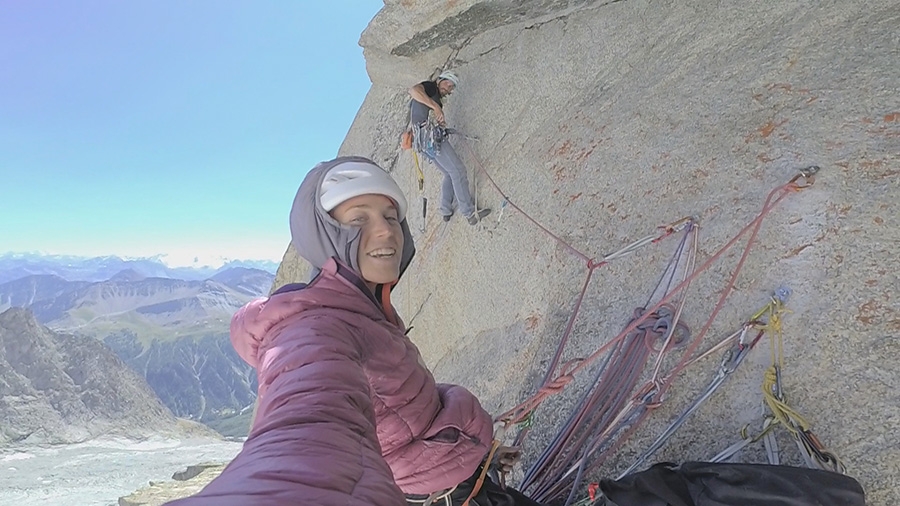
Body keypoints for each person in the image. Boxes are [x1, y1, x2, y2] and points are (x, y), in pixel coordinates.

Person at [166, 156, 542, 506]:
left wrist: (481, 451)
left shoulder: (361, 306)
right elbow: (307, 424)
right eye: (358, 220)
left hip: (453, 471)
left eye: (391, 217)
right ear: (323, 236)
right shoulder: (316, 327)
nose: (386, 232)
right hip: (438, 489)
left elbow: (406, 410)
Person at [408, 71, 491, 225]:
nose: (449, 88)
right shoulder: (430, 87)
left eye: (452, 87)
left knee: (448, 173)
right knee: (458, 171)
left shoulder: (434, 98)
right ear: (440, 79)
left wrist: (439, 122)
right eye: (448, 83)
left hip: (423, 140)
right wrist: (436, 107)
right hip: (428, 137)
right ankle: (469, 212)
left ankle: (445, 210)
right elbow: (413, 91)